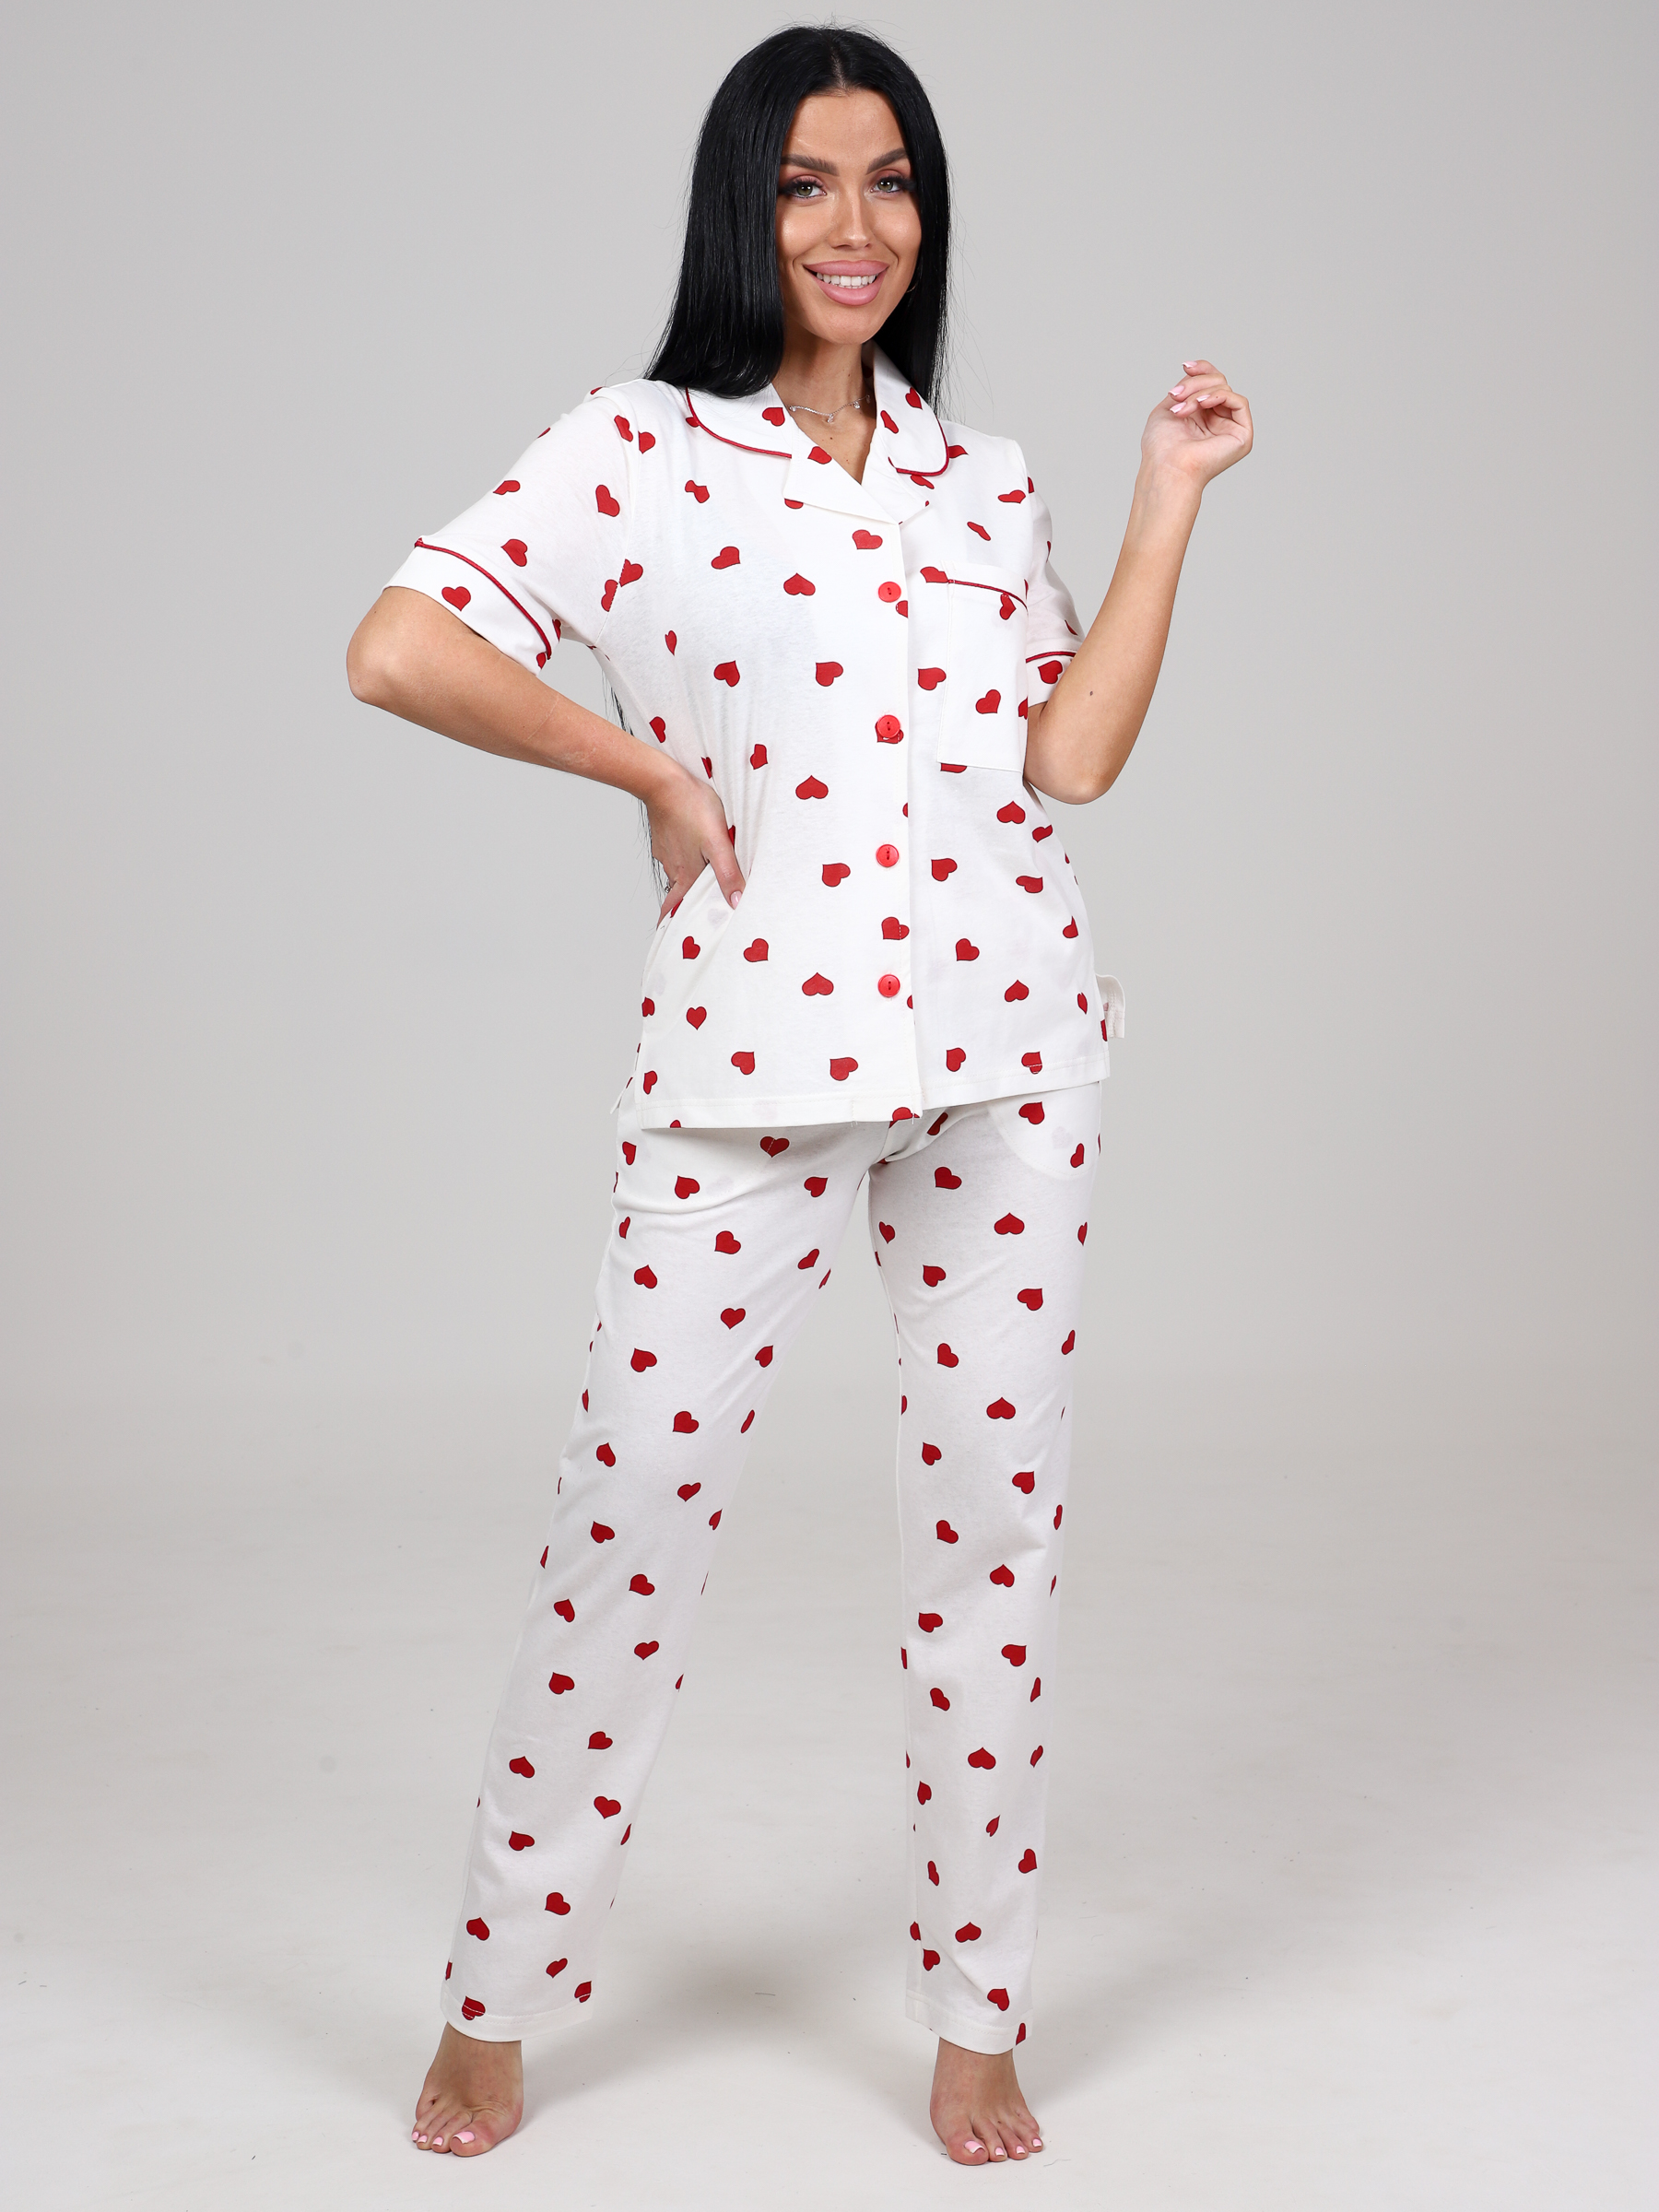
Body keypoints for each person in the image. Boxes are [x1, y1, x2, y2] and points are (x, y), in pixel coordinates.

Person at [346, 21, 1251, 2169]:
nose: (858, 225)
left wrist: (1164, 502)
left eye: (893, 180)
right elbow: (399, 646)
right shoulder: (636, 452)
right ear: (740, 211)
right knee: (630, 1519)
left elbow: (1071, 760)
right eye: (807, 183)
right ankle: (497, 1991)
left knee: (997, 1539)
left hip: (1011, 1052)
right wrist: (648, 769)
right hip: (747, 1056)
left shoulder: (981, 478)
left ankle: (979, 2012)